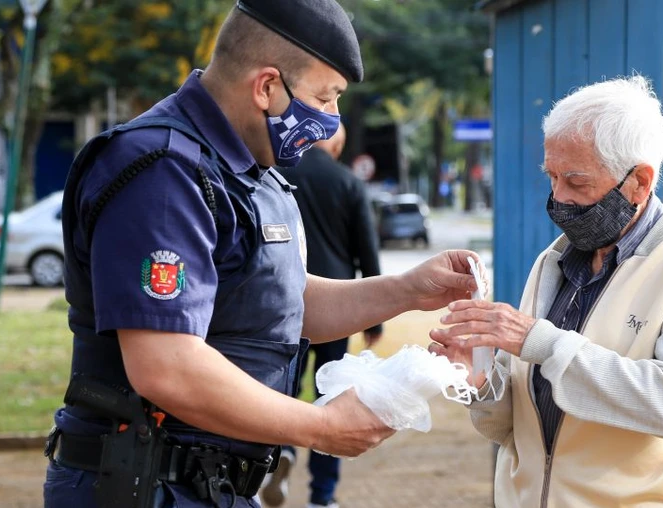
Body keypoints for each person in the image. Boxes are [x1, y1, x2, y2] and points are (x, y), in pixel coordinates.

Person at [42, 1, 481, 507]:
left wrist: (405, 290)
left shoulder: (251, 170)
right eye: (324, 97)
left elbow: (280, 305)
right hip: (145, 483)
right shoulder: (163, 172)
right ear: (267, 86)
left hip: (214, 485)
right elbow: (165, 365)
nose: (332, 119)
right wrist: (319, 425)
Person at [429, 76, 663, 508]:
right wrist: (480, 381)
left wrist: (540, 341)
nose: (558, 199)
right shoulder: (552, 262)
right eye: (551, 177)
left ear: (640, 183)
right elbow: (512, 429)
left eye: (576, 182)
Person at [265, 123, 383, 508]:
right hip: (338, 306)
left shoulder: (277, 176)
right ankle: (322, 496)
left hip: (285, 303)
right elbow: (366, 251)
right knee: (331, 396)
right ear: (334, 144)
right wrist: (373, 318)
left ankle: (278, 453)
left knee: (282, 388)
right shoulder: (347, 182)